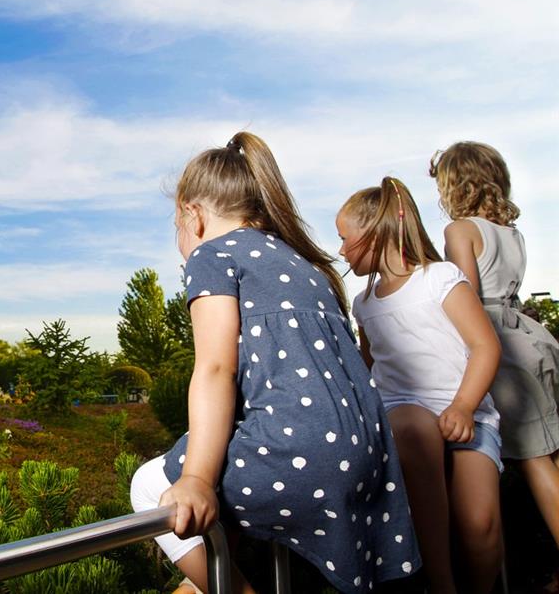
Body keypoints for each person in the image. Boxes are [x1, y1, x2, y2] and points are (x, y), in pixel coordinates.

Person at [130, 133, 420, 594]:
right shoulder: (307, 266)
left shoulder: (212, 257)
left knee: (149, 485)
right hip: (367, 456)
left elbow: (215, 369)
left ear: (192, 214)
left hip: (306, 458)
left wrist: (198, 479)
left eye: (177, 224)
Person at [336, 177, 502, 594]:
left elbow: (485, 346)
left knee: (480, 525)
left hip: (467, 412)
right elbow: (371, 367)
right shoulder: (364, 304)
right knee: (411, 426)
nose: (340, 250)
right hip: (405, 411)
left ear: (374, 232)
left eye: (344, 238)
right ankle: (441, 584)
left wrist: (464, 406)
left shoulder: (440, 278)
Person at [430, 141, 559, 546]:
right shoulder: (511, 234)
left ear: (455, 185)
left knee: (534, 460)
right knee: (552, 452)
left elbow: (465, 293)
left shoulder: (460, 230)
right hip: (532, 338)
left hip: (500, 346)